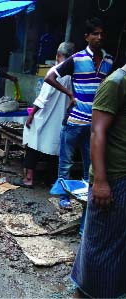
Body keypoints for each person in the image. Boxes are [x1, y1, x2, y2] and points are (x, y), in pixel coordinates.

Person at [44, 17, 113, 209]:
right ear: (87, 37)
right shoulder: (76, 59)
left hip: (96, 124)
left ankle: (87, 196)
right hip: (75, 121)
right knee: (65, 163)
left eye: (101, 34)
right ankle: (63, 197)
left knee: (90, 164)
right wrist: (70, 94)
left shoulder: (109, 60)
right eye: (95, 34)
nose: (99, 37)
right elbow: (50, 77)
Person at [70, 63, 126, 298]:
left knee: (115, 247)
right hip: (113, 178)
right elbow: (97, 131)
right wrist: (101, 181)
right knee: (98, 247)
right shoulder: (116, 83)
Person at [17, 42, 75, 188]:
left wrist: (31, 115)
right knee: (55, 149)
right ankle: (51, 180)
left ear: (58, 55)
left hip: (44, 116)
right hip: (60, 117)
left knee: (33, 144)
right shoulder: (71, 74)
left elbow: (43, 98)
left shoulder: (55, 72)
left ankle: (29, 179)